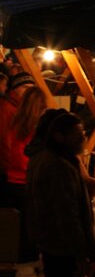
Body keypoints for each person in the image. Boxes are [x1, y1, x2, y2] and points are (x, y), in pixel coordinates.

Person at [26, 109, 95, 277]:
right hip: (62, 246)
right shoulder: (58, 167)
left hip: (53, 242)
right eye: (78, 134)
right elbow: (67, 215)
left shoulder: (54, 160)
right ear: (59, 136)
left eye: (84, 133)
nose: (83, 138)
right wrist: (79, 253)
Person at [1, 77, 44, 264]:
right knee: (27, 226)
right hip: (21, 178)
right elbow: (7, 148)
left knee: (18, 225)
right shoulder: (10, 112)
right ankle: (24, 265)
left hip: (15, 178)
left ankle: (19, 262)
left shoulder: (16, 116)